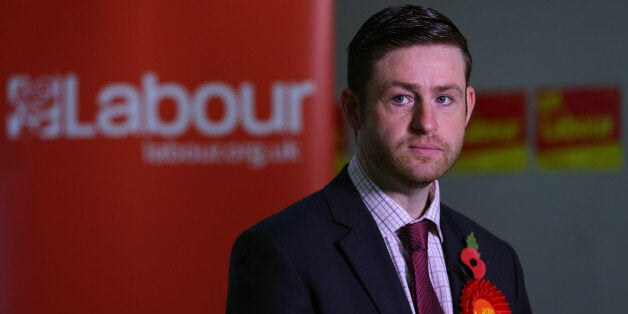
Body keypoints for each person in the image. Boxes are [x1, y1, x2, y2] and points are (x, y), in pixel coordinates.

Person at [227, 4, 531, 314]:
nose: (426, 123)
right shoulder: (281, 251)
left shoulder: (499, 260)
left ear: (467, 107)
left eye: (443, 99)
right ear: (353, 109)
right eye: (401, 98)